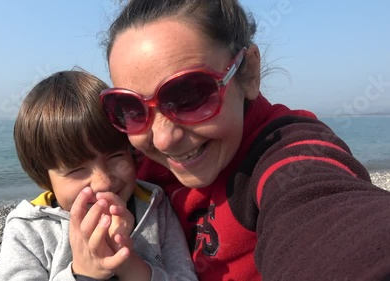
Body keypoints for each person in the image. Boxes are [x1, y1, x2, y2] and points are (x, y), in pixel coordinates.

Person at [99, 0, 390, 280]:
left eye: (188, 97)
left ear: (248, 72)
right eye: (130, 108)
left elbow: (323, 212)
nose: (163, 140)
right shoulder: (124, 166)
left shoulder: (283, 155)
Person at [0, 70, 197, 281]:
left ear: (130, 150)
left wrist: (129, 265)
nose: (104, 182)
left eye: (116, 156)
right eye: (75, 170)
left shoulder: (156, 206)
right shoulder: (29, 229)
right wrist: (83, 273)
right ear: (45, 178)